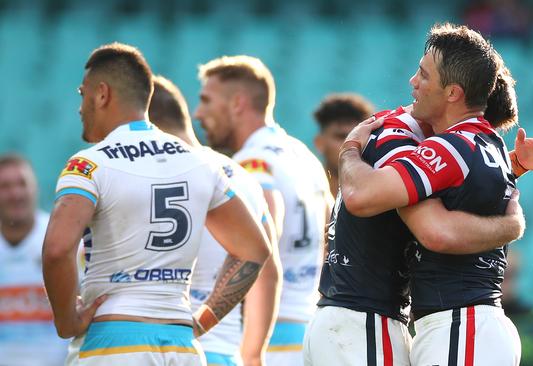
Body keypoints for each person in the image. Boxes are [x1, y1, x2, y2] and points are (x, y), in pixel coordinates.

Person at [337, 24, 533, 366]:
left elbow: (362, 196)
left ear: (453, 92)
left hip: (461, 326)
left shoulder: (450, 146)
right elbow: (470, 192)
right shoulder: (490, 143)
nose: (413, 82)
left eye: (424, 76)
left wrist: (350, 148)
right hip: (470, 324)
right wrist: (516, 174)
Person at [42, 42, 271, 366]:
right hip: (180, 345)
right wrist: (202, 320)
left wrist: (67, 321)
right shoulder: (202, 163)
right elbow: (254, 251)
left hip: (113, 343)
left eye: (83, 94)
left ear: (102, 94)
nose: (80, 108)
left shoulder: (88, 164)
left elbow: (56, 250)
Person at [194, 55, 330, 366]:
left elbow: (261, 250)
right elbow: (330, 238)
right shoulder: (304, 157)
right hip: (307, 330)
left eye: (206, 100)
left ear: (237, 103)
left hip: (269, 338)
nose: (198, 112)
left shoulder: (251, 162)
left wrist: (251, 353)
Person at [149, 75, 282, 366]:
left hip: (157, 349)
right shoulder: (241, 175)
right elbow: (267, 271)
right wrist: (252, 354)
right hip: (224, 348)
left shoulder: (143, 175)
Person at [0, 155, 69, 365]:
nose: (15, 194)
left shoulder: (63, 239)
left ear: (36, 188)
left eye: (22, 184)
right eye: (5, 186)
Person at [313, 93, 374, 196]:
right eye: (341, 137)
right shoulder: (302, 190)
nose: (351, 145)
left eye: (358, 137)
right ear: (319, 143)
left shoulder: (383, 198)